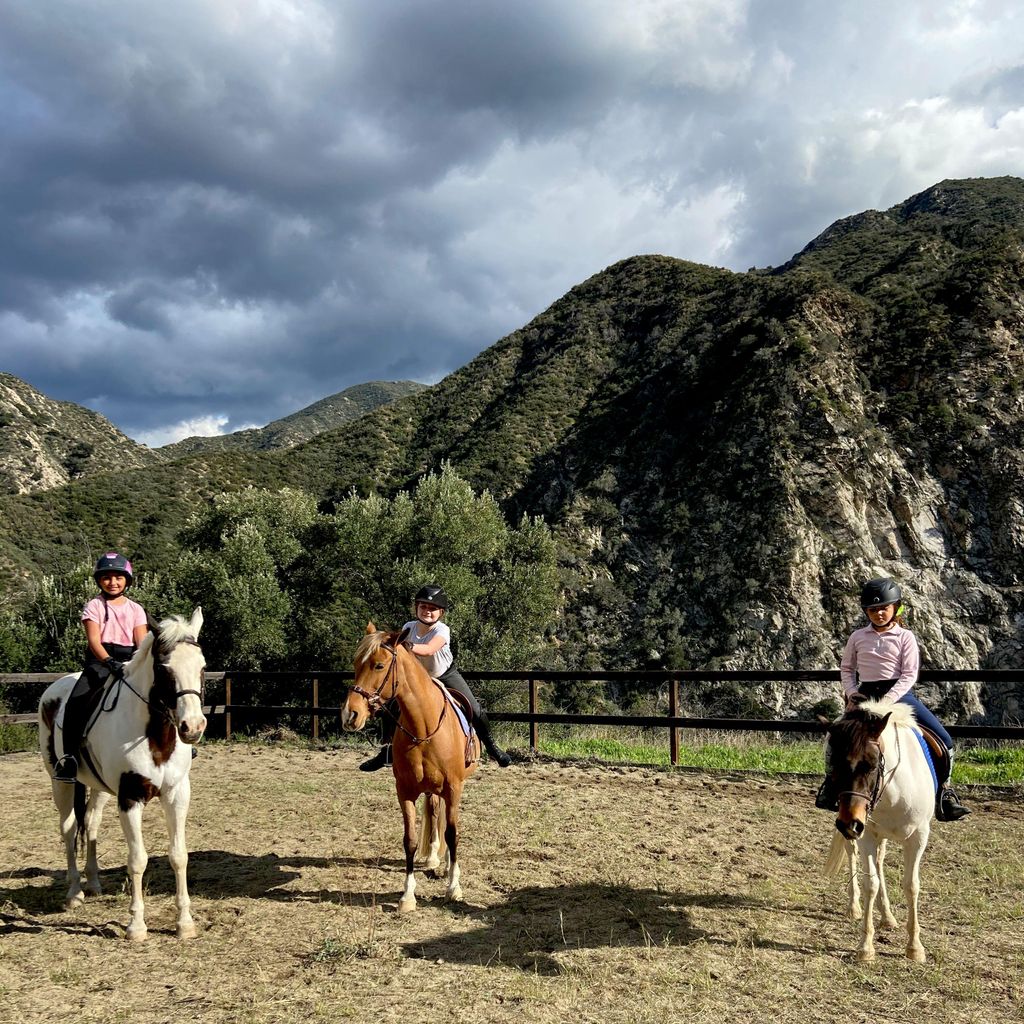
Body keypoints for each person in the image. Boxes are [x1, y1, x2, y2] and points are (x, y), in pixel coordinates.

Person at [815, 577, 970, 821]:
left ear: (895, 608)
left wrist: (888, 699)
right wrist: (852, 692)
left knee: (944, 740)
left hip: (899, 696)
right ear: (866, 611)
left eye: (883, 608)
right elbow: (846, 668)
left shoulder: (905, 637)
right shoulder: (857, 637)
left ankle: (945, 793)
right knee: (834, 737)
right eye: (873, 609)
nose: (878, 614)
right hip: (864, 696)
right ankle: (830, 786)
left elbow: (909, 674)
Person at [360, 584, 513, 770]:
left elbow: (429, 649)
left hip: (445, 675)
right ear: (416, 607)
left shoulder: (442, 630)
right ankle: (387, 751)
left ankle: (492, 747)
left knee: (474, 707)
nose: (427, 611)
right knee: (390, 706)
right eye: (423, 606)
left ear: (441, 612)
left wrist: (405, 648)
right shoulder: (408, 627)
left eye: (433, 608)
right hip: (419, 678)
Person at [53, 552, 149, 782]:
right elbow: (94, 641)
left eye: (118, 577)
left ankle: (177, 745)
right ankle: (69, 758)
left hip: (131, 659)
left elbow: (142, 642)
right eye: (107, 577)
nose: (113, 582)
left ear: (127, 580)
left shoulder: (136, 609)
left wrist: (137, 663)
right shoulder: (94, 605)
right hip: (101, 661)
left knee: (161, 691)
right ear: (99, 580)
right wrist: (108, 662)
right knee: (78, 700)